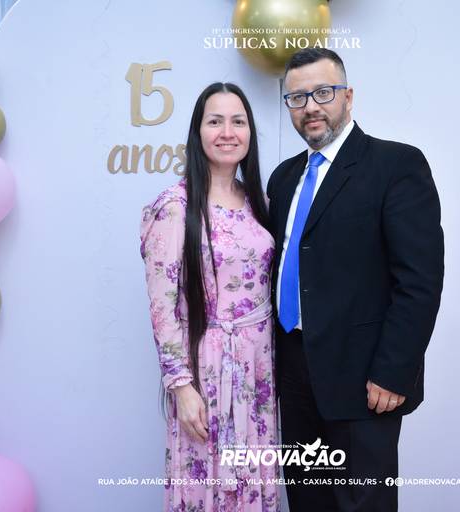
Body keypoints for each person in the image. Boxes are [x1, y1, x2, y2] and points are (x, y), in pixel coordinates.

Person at [266, 48, 445, 511]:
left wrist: (393, 371)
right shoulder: (283, 179)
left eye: (323, 93)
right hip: (294, 371)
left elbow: (420, 281)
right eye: (297, 97)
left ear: (348, 96)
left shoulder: (396, 165)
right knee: (307, 501)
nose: (310, 107)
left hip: (365, 379)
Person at [140, 82, 279, 511]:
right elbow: (162, 307)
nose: (227, 132)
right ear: (197, 131)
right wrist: (182, 388)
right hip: (206, 371)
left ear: (250, 132)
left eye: (238, 121)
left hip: (258, 368)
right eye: (215, 121)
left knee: (254, 480)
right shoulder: (175, 206)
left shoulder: (258, 201)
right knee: (208, 480)